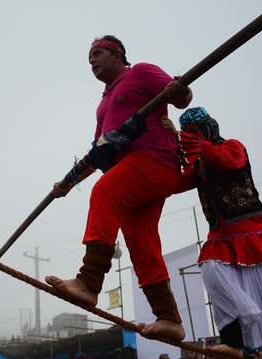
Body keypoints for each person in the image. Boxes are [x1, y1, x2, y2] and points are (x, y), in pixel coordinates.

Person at [46, 34, 193, 342]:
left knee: (105, 192)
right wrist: (68, 183)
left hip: (155, 160)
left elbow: (179, 97)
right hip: (133, 173)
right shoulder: (103, 104)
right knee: (140, 240)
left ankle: (89, 282)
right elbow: (100, 152)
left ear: (118, 55)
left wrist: (181, 91)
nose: (92, 61)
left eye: (97, 54)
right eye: (89, 58)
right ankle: (169, 317)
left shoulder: (140, 71)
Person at [161, 108, 262, 359]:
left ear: (207, 128)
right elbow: (176, 182)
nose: (190, 137)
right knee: (212, 274)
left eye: (193, 132)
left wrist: (179, 137)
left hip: (250, 230)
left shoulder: (232, 147)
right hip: (220, 234)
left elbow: (226, 161)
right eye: (187, 134)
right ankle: (233, 341)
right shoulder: (199, 165)